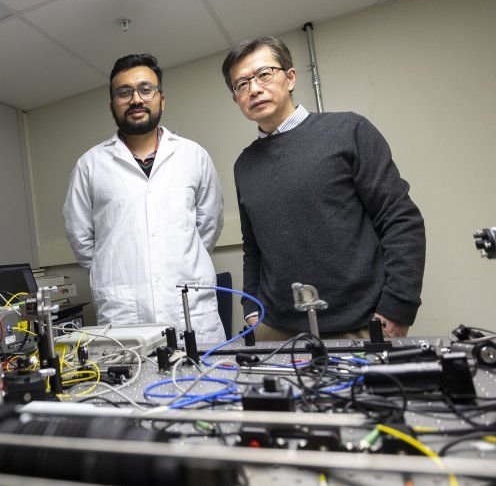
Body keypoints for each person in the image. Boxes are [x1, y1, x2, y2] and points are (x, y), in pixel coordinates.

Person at [221, 36, 425, 340]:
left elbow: (400, 220)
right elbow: (253, 246)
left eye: (264, 74)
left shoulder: (349, 131)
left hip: (360, 324)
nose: (254, 89)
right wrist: (251, 304)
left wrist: (398, 307)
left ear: (290, 78)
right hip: (276, 329)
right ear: (236, 97)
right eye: (241, 84)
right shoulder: (245, 165)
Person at [63, 53, 225, 344]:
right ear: (112, 104)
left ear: (161, 98)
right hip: (124, 315)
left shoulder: (193, 156)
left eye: (145, 89)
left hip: (189, 310)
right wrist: (117, 268)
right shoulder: (90, 165)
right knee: (130, 388)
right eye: (124, 93)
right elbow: (82, 239)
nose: (136, 99)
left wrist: (176, 259)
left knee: (204, 383)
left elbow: (208, 226)